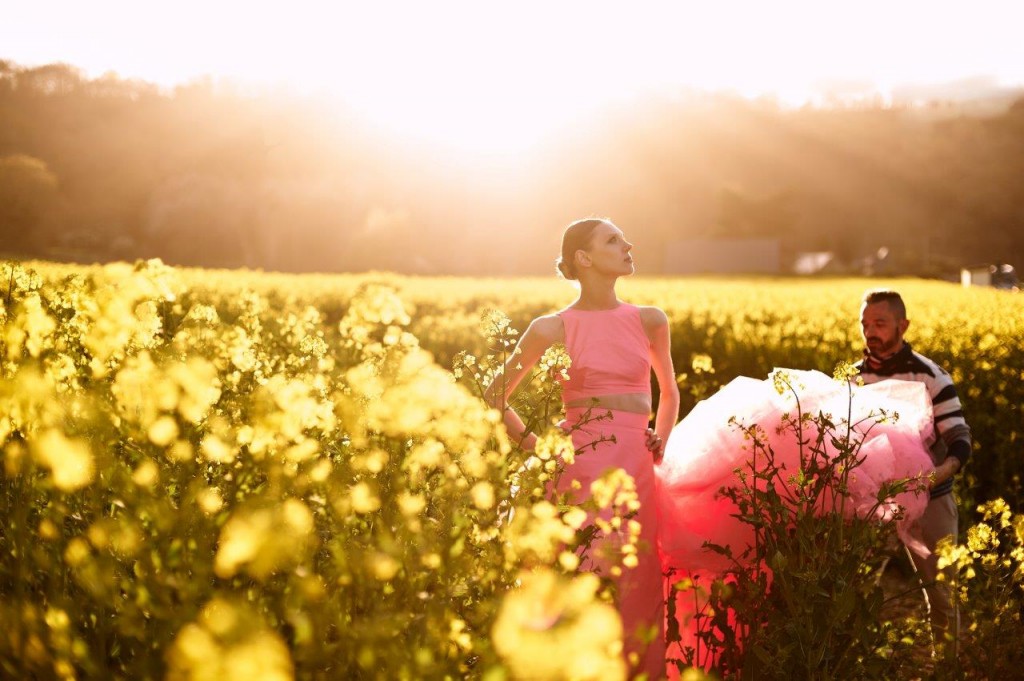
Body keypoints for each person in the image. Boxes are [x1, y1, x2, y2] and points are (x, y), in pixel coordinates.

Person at [486, 217, 680, 678]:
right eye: (614, 240)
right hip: (579, 472)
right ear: (583, 258)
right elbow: (495, 396)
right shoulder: (550, 328)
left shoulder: (651, 320)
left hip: (638, 468)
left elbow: (669, 393)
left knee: (641, 582)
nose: (628, 244)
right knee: (586, 576)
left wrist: (662, 438)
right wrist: (538, 448)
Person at [855, 289, 971, 653]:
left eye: (880, 324)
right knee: (855, 590)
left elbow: (958, 436)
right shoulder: (853, 379)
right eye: (865, 324)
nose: (870, 332)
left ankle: (946, 668)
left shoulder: (929, 375)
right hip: (874, 503)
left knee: (941, 593)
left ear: (902, 325)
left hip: (931, 497)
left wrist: (943, 471)